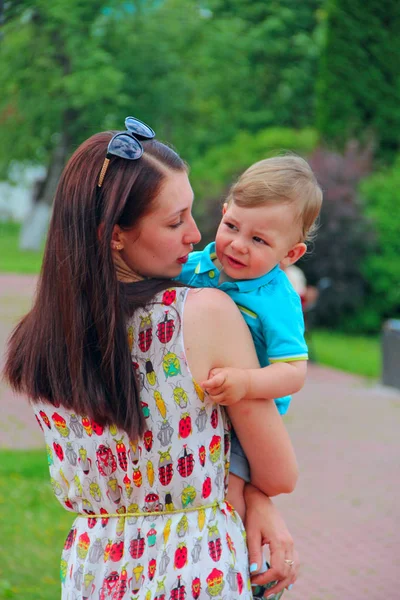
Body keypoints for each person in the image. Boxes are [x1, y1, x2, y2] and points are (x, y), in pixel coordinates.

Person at [4, 118, 299, 600]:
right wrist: (256, 495)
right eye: (174, 220)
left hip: (93, 573)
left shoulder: (37, 341)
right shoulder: (201, 314)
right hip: (196, 570)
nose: (196, 234)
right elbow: (280, 471)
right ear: (114, 233)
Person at [177, 155, 323, 518]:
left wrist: (245, 382)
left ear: (291, 253)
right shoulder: (198, 265)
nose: (238, 245)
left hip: (250, 411)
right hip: (201, 401)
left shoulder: (278, 299)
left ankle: (239, 560)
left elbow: (293, 372)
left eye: (258, 239)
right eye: (232, 226)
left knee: (230, 489)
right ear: (224, 211)